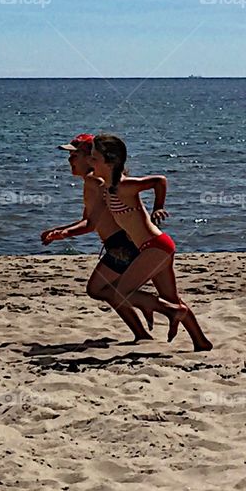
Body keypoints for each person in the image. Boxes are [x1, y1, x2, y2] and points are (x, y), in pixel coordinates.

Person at [41, 133, 179, 342]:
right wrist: (61, 230)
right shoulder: (95, 181)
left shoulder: (95, 181)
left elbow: (91, 224)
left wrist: (64, 233)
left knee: (100, 289)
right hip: (122, 245)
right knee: (109, 290)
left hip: (122, 246)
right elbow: (88, 220)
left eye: (74, 155)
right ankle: (150, 329)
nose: (69, 160)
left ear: (90, 158)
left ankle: (156, 316)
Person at [89, 133, 212, 351]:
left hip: (155, 247)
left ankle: (172, 312)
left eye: (95, 158)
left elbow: (159, 181)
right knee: (170, 297)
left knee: (120, 292)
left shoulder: (123, 186)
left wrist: (158, 207)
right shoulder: (107, 189)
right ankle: (201, 342)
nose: (91, 162)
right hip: (156, 248)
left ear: (110, 162)